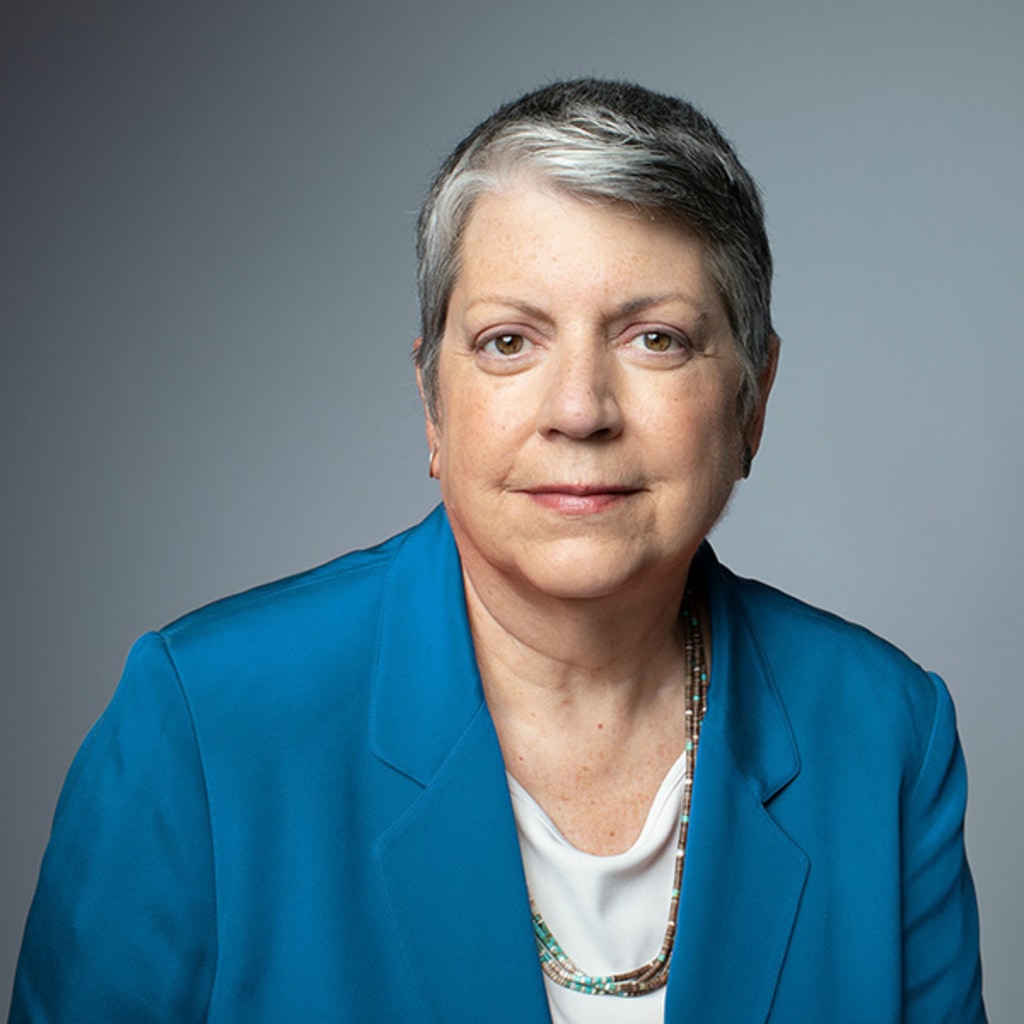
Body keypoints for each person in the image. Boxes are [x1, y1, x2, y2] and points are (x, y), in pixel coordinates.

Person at [9, 79, 985, 1024]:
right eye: (510, 341)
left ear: (752, 399)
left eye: (654, 338)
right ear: (433, 403)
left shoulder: (885, 736)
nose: (579, 410)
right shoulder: (206, 724)